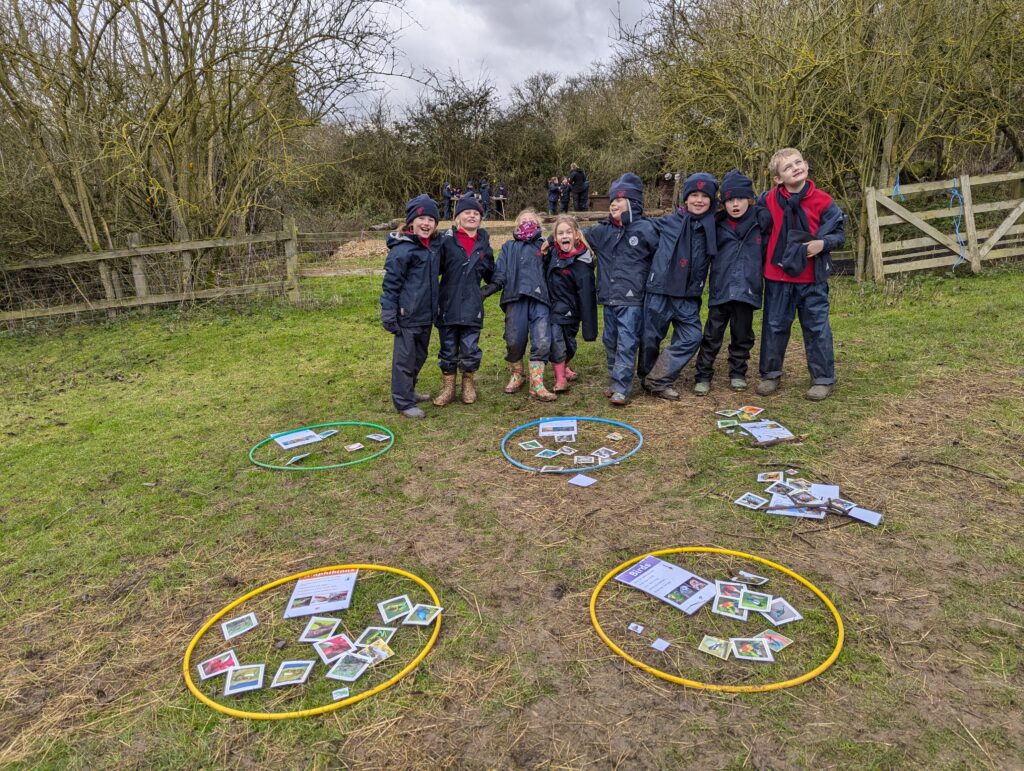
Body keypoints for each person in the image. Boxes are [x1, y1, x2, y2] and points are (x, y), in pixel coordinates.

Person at [756, 148, 845, 400]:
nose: (795, 168)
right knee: (774, 326)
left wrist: (822, 244)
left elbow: (839, 235)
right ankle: (770, 374)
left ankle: (822, 378)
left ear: (806, 164)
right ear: (777, 178)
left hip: (811, 278)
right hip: (777, 276)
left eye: (798, 163)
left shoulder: (824, 201)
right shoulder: (768, 199)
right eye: (787, 167)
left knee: (817, 327)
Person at [640, 172, 718, 400]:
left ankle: (657, 377)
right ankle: (647, 376)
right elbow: (638, 233)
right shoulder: (667, 223)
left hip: (688, 295)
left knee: (692, 337)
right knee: (650, 337)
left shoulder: (712, 227)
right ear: (686, 198)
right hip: (660, 291)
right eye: (694, 194)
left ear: (712, 200)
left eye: (705, 196)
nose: (699, 200)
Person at [693, 169, 771, 394]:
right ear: (723, 203)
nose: (735, 204)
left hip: (748, 288)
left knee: (742, 335)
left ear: (749, 200)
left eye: (739, 199)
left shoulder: (760, 223)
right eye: (729, 200)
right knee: (712, 334)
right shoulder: (716, 224)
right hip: (721, 288)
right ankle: (703, 374)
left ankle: (738, 372)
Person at [584, 173, 659, 405]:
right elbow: (575, 236)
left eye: (620, 199)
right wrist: (548, 239)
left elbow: (661, 256)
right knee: (611, 341)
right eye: (612, 200)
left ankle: (622, 387)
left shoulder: (645, 229)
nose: (614, 203)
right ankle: (614, 379)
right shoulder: (602, 230)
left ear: (633, 203)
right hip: (608, 297)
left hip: (633, 298)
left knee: (627, 341)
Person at [482, 209, 557, 401]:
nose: (527, 222)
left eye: (531, 220)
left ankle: (537, 383)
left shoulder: (544, 246)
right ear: (516, 226)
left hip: (540, 299)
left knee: (542, 340)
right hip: (514, 298)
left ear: (539, 225)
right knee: (514, 339)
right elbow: (500, 273)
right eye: (523, 220)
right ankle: (517, 374)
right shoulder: (509, 246)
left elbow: (555, 269)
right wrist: (486, 291)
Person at [380, 194, 441, 418]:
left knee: (420, 356)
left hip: (426, 314)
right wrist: (388, 312)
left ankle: (409, 390)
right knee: (404, 360)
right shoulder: (402, 250)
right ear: (411, 221)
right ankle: (403, 402)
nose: (426, 223)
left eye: (431, 220)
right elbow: (391, 285)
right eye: (422, 218)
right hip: (406, 315)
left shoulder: (434, 246)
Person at [433, 196, 494, 406]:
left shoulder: (484, 245)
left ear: (480, 219)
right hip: (448, 304)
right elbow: (432, 270)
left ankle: (468, 384)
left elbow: (493, 276)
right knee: (448, 347)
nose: (471, 216)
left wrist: (484, 292)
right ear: (458, 217)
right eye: (467, 212)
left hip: (471, 307)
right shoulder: (446, 241)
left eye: (476, 213)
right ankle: (448, 388)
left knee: (470, 348)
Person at [545, 215, 597, 391]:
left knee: (569, 344)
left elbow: (588, 296)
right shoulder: (551, 254)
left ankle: (565, 365)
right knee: (555, 341)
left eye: (568, 232)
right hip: (553, 308)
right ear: (555, 237)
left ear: (576, 235)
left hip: (572, 312)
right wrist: (548, 243)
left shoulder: (583, 262)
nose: (564, 236)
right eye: (560, 233)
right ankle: (560, 378)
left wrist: (589, 328)